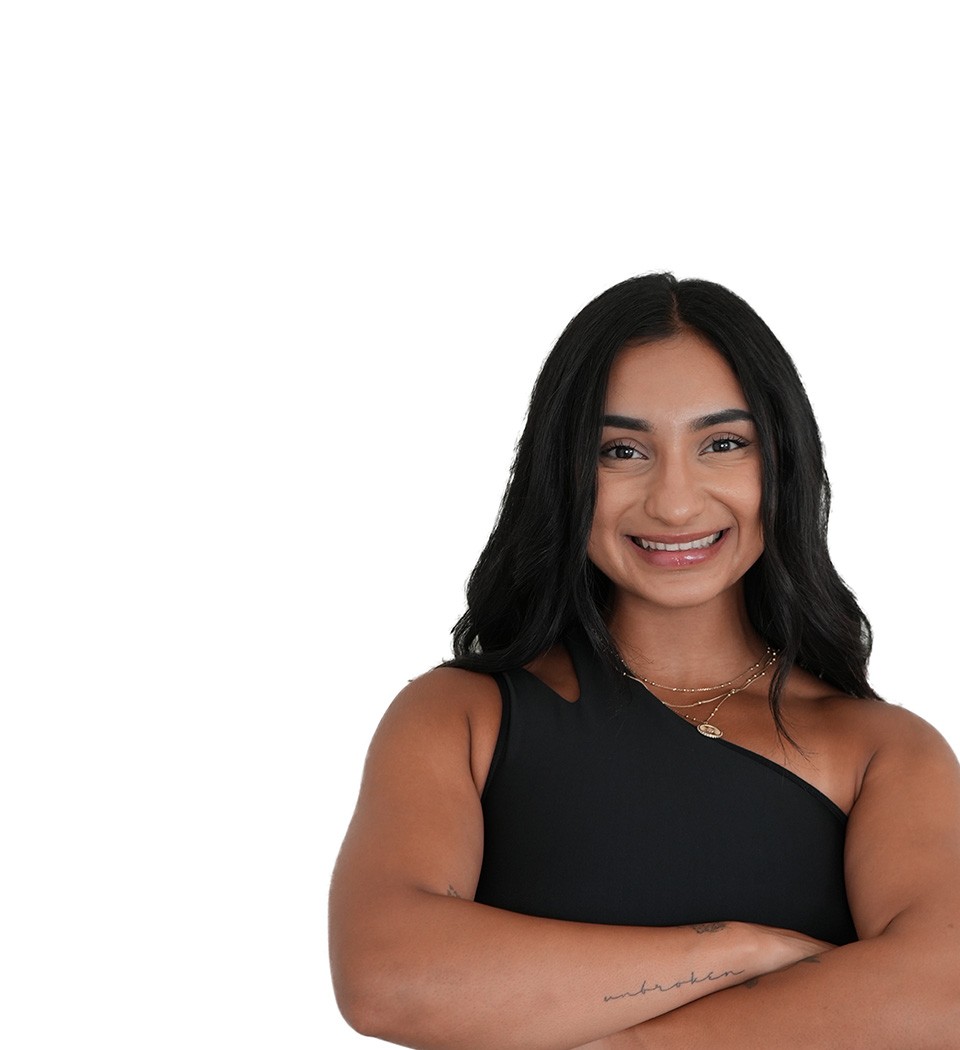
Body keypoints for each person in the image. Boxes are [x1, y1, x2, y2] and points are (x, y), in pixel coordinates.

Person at [329, 274, 960, 1049]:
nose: (674, 502)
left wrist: (627, 1042)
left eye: (723, 444)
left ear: (781, 465)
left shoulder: (883, 751)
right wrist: (735, 949)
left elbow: (942, 991)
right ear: (566, 474)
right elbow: (390, 978)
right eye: (621, 450)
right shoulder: (463, 716)